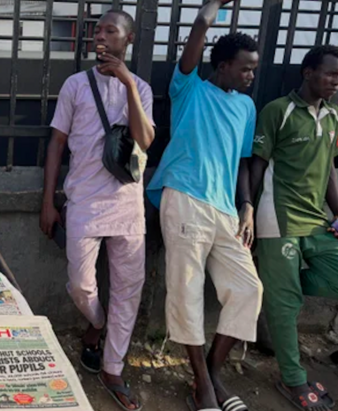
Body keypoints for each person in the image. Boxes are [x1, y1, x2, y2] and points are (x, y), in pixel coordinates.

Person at [145, 1, 262, 410]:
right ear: (223, 65)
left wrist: (246, 206)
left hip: (226, 210)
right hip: (184, 198)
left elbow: (243, 161)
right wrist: (210, 8)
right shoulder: (190, 88)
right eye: (245, 68)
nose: (251, 76)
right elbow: (197, 29)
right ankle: (203, 386)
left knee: (249, 288)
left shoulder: (246, 107)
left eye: (254, 69)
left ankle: (212, 371)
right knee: (186, 293)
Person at [40, 9, 155, 410]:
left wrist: (127, 84)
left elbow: (145, 140)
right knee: (81, 284)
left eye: (111, 30)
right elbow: (56, 143)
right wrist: (48, 201)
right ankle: (97, 323)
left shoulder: (140, 87)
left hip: (127, 203)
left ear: (129, 39)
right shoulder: (75, 85)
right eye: (98, 31)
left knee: (128, 289)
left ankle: (113, 367)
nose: (101, 37)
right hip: (84, 200)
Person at [250, 45, 338, 411]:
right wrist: (246, 211)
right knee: (285, 301)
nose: (336, 82)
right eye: (330, 73)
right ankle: (291, 378)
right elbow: (256, 165)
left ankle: (280, 284)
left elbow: (328, 169)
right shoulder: (278, 111)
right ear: (308, 72)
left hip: (317, 220)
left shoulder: (333, 116)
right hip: (276, 218)